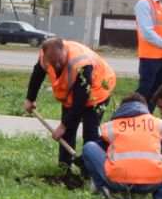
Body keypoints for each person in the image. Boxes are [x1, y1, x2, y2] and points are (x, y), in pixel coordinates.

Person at [24, 37, 116, 174]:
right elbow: (38, 73)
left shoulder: (80, 64)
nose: (56, 65)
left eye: (59, 60)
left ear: (64, 51)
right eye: (53, 62)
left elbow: (80, 102)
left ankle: (90, 171)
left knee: (90, 131)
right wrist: (30, 98)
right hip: (74, 93)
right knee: (67, 132)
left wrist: (63, 126)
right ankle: (64, 167)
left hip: (97, 89)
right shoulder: (45, 56)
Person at [79, 94, 162, 199]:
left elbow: (99, 149)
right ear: (145, 108)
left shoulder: (113, 126)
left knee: (89, 147)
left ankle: (101, 189)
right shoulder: (157, 124)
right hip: (152, 183)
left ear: (121, 108)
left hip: (118, 182)